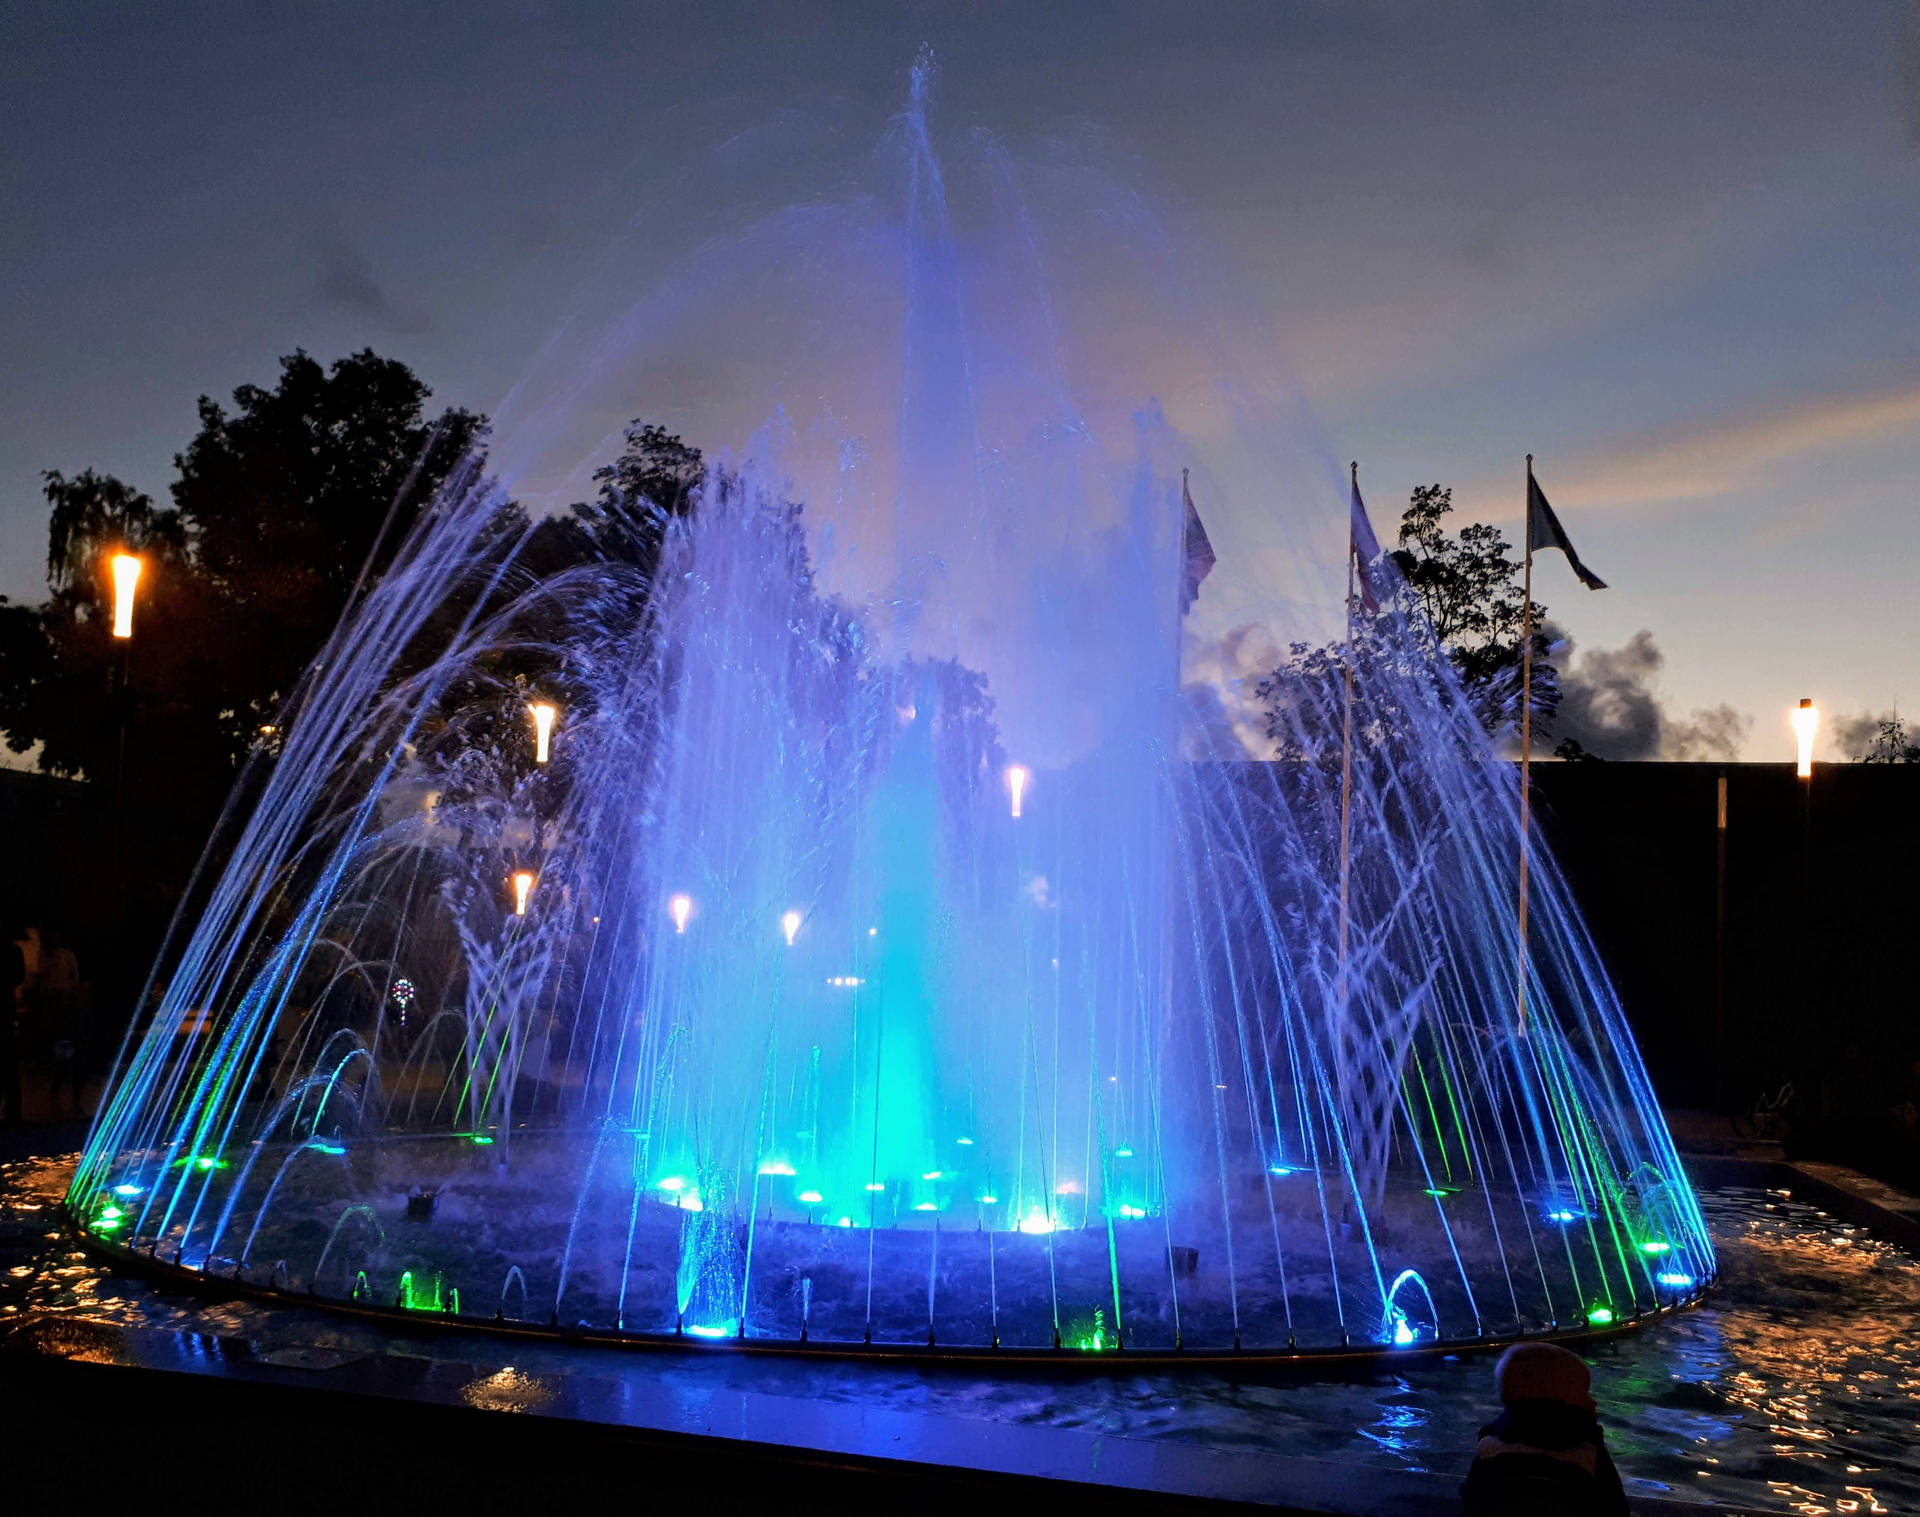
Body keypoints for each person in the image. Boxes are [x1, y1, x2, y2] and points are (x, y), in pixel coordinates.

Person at [1461, 1341, 1628, 1516]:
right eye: (1584, 1392)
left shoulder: (1488, 1446)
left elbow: (1472, 1503)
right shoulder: (1589, 1451)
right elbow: (1616, 1507)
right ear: (1563, 1398)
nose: (1593, 1402)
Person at [0, 924, 25, 1126]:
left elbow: (19, 977)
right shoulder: (14, 951)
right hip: (6, 1010)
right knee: (9, 1063)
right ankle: (13, 1112)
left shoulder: (13, 951)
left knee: (7, 1063)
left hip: (6, 1011)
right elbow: (19, 977)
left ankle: (13, 1111)